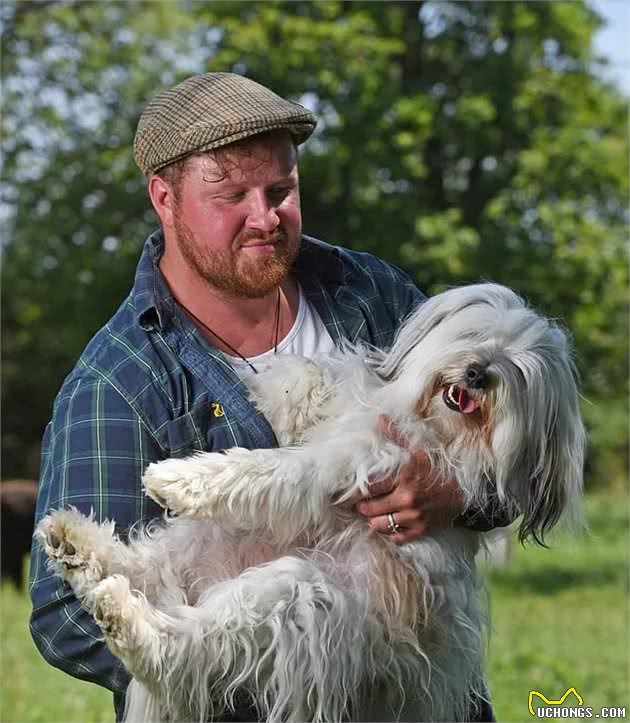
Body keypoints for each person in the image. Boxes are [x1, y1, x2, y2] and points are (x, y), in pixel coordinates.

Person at [30, 72, 509, 721]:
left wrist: (458, 491)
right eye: (231, 195)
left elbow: (516, 445)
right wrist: (280, 637)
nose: (266, 217)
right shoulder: (116, 382)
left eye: (281, 190)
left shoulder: (371, 294)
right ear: (163, 197)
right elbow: (65, 616)